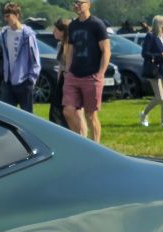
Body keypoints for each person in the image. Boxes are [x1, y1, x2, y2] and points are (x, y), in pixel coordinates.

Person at [61, 0, 111, 142]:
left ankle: (95, 146)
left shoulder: (97, 24)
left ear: (88, 4)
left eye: (79, 2)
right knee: (68, 111)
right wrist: (67, 70)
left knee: (90, 115)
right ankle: (81, 142)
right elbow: (71, 50)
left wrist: (100, 74)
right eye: (74, 2)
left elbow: (106, 50)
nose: (76, 5)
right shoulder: (73, 25)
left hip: (91, 75)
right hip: (74, 74)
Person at [0, 2, 41, 113]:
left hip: (24, 82)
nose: (6, 19)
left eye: (8, 16)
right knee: (6, 115)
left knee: (27, 116)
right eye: (4, 16)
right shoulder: (4, 34)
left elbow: (35, 60)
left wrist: (31, 80)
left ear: (17, 15)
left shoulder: (28, 35)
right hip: (8, 82)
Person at [139, 15, 163, 127]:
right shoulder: (150, 36)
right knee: (160, 97)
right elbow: (145, 53)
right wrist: (160, 55)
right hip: (154, 69)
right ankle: (144, 114)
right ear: (159, 25)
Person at [49, 18, 70, 126]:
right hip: (62, 79)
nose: (53, 32)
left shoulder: (71, 46)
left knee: (69, 110)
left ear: (62, 31)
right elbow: (60, 66)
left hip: (69, 79)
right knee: (56, 109)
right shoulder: (59, 45)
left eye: (56, 29)